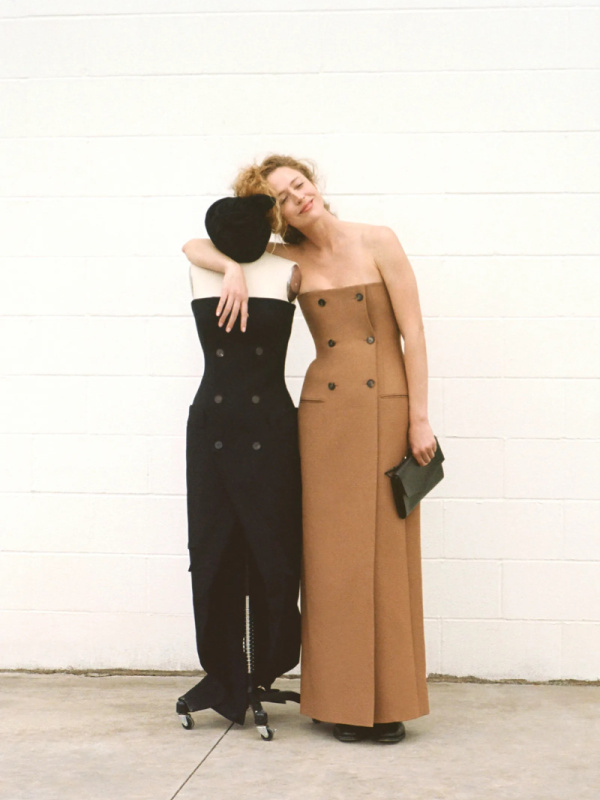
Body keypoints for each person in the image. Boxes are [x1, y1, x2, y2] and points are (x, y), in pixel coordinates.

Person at [183, 155, 436, 744]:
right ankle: (338, 701)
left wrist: (419, 418)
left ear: (314, 184)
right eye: (282, 196)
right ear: (274, 213)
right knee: (329, 560)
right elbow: (192, 245)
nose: (298, 197)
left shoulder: (379, 239)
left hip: (389, 406)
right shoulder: (285, 260)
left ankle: (389, 698)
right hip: (322, 414)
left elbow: (415, 333)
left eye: (300, 184)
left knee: (388, 553)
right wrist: (232, 267)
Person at [177, 194, 302, 727]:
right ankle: (225, 671)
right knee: (213, 553)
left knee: (273, 554)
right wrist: (230, 268)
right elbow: (188, 245)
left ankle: (265, 666)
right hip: (214, 428)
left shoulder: (287, 271)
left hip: (270, 427)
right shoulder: (201, 265)